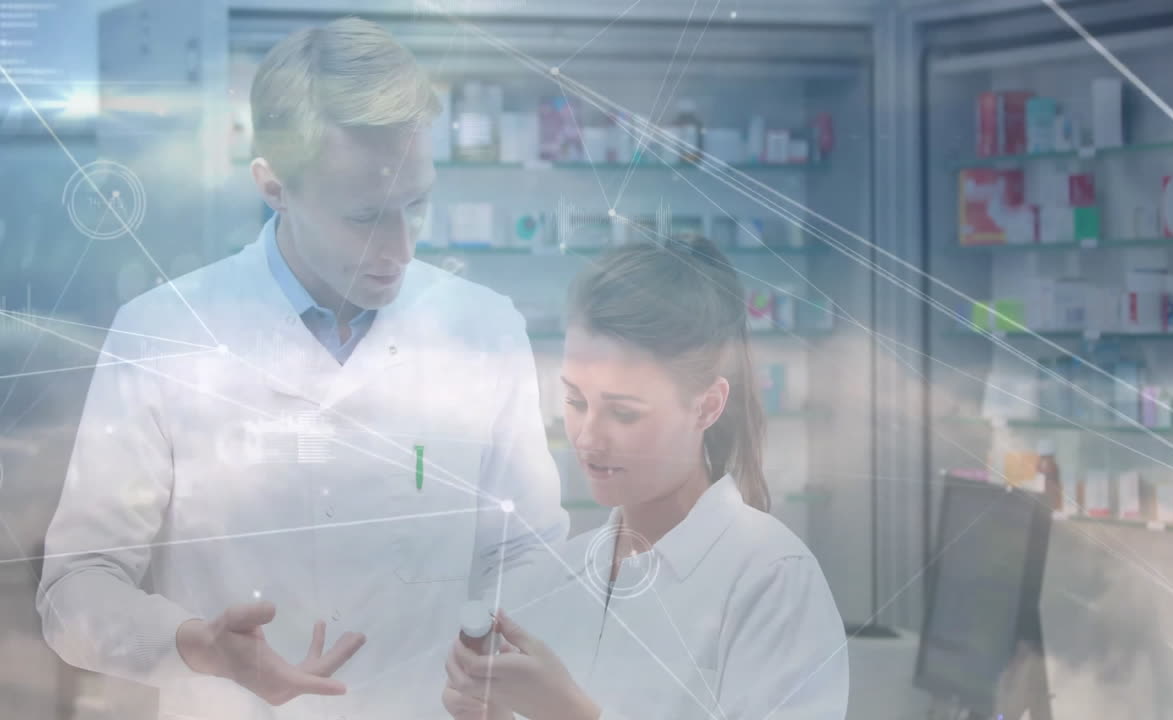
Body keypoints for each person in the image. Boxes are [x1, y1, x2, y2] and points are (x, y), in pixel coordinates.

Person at [35, 17, 567, 720]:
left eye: (418, 203)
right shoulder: (162, 335)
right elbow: (76, 589)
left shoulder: (484, 329)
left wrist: (504, 661)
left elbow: (530, 558)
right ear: (274, 185)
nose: (403, 248)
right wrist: (192, 644)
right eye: (366, 215)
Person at [442, 236, 849, 719]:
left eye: (624, 412)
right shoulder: (556, 577)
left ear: (707, 406)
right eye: (575, 402)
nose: (589, 439)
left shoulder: (770, 579)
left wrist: (570, 714)